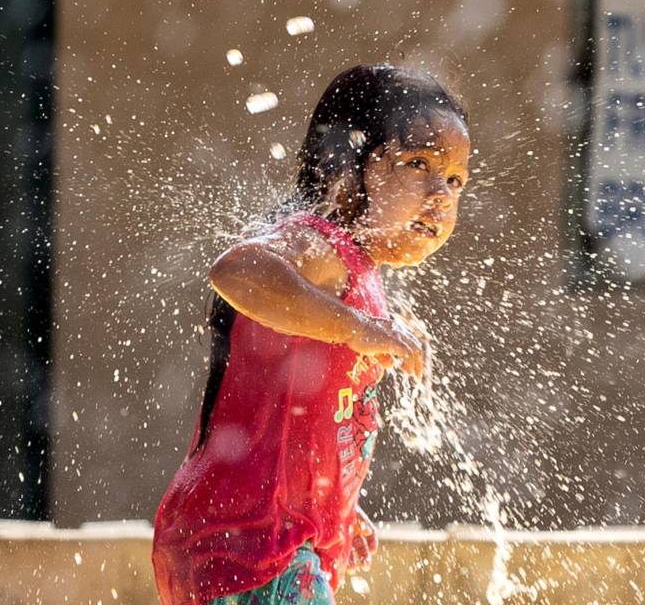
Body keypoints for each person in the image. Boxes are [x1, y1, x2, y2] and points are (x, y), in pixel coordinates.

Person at [152, 64, 472, 604]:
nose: (441, 193)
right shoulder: (319, 246)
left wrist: (331, 507)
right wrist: (359, 328)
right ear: (347, 168)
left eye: (456, 179)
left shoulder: (349, 275)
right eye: (418, 164)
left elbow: (296, 420)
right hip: (247, 548)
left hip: (254, 539)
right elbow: (235, 270)